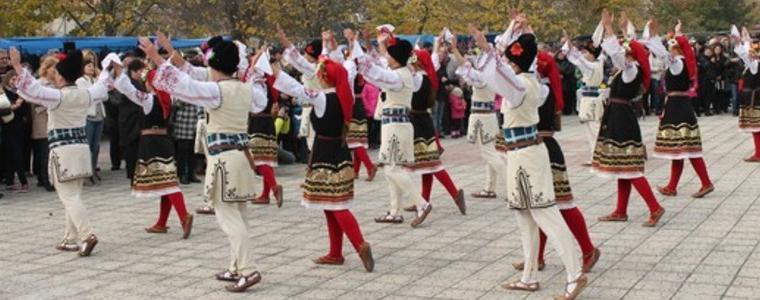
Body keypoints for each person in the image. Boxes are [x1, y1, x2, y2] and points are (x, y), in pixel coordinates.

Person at [469, 18, 586, 299]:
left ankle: (574, 273)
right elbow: (498, 71)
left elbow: (498, 72)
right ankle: (529, 276)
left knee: (545, 213)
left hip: (527, 155)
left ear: (517, 62)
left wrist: (488, 49)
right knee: (525, 215)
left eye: (511, 60)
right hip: (520, 153)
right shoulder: (531, 82)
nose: (508, 64)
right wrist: (513, 34)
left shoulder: (521, 85)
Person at [143, 34, 264, 292]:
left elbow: (186, 85)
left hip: (224, 159)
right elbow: (190, 81)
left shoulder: (217, 91)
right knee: (239, 214)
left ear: (215, 66)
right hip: (241, 156)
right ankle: (235, 266)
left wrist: (156, 57)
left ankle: (248, 268)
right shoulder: (245, 89)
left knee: (228, 216)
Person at [272, 54, 375, 272]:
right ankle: (335, 253)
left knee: (336, 205)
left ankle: (360, 244)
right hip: (340, 152)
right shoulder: (343, 96)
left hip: (325, 155)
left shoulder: (322, 97)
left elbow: (296, 88)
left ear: (324, 77)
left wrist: (274, 71)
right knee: (330, 204)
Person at [10, 47, 106, 256]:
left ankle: (87, 234)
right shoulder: (86, 94)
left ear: (61, 77)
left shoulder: (58, 97)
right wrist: (109, 68)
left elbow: (35, 91)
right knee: (74, 194)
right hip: (81, 149)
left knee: (69, 197)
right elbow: (102, 87)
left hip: (63, 151)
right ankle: (69, 238)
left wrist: (18, 67)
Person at [511, 51, 600, 274]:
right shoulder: (535, 86)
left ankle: (588, 249)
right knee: (538, 205)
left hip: (545, 148)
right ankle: (536, 257)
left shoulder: (540, 89)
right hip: (539, 148)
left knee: (561, 204)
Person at [593, 11, 665, 228]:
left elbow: (617, 55)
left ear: (631, 56)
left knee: (630, 168)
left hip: (622, 120)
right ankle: (621, 210)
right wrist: (623, 31)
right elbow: (617, 54)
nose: (621, 56)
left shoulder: (631, 69)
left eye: (626, 53)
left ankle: (655, 207)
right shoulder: (625, 70)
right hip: (618, 116)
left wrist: (609, 29)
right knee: (622, 167)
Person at [112, 65, 195, 239]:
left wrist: (119, 73)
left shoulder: (150, 100)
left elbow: (130, 91)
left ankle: (183, 216)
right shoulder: (168, 98)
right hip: (165, 140)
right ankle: (162, 223)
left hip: (152, 143)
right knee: (165, 181)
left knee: (168, 183)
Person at [358, 26, 429, 226]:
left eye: (389, 55)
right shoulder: (405, 73)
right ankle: (394, 211)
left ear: (396, 57)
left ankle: (421, 203)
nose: (386, 57)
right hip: (398, 125)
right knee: (393, 167)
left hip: (395, 126)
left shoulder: (398, 76)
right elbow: (380, 69)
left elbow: (377, 74)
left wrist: (362, 58)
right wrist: (372, 44)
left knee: (391, 170)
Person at [645, 20, 715, 198]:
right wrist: (673, 33)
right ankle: (673, 185)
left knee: (687, 149)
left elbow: (662, 54)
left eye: (672, 47)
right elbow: (662, 54)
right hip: (678, 106)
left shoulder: (678, 63)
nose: (669, 49)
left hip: (678, 108)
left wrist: (654, 36)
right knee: (680, 149)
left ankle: (705, 182)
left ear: (677, 50)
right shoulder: (681, 63)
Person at [401, 48, 466, 221]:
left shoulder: (417, 78)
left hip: (419, 123)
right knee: (427, 166)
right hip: (423, 121)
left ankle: (454, 192)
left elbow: (403, 71)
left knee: (432, 165)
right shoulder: (428, 77)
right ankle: (425, 199)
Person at [452, 39, 504, 200]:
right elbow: (467, 68)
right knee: (491, 153)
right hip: (487, 115)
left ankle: (513, 187)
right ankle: (489, 187)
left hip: (483, 116)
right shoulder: (491, 75)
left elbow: (465, 66)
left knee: (489, 154)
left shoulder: (484, 77)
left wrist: (454, 48)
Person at [562, 36, 606, 166]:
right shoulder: (598, 63)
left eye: (587, 52)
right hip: (592, 98)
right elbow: (579, 60)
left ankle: (599, 156)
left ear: (592, 55)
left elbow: (580, 60)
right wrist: (571, 49)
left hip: (591, 100)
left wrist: (571, 48)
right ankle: (595, 156)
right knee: (592, 129)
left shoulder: (592, 66)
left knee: (594, 129)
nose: (584, 54)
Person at [76, 51, 105, 183]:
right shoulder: (80, 81)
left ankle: (93, 169)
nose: (92, 68)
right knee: (87, 146)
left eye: (93, 66)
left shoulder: (96, 80)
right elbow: (88, 95)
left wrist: (99, 88)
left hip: (99, 115)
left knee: (96, 145)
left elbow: (105, 95)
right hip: (88, 116)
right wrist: (97, 90)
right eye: (88, 66)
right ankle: (86, 172)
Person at [733, 26, 760, 162]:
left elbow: (745, 56)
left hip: (755, 99)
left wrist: (742, 41)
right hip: (754, 97)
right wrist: (745, 40)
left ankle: (758, 153)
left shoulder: (755, 64)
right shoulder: (754, 63)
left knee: (756, 127)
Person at [31, 55, 57, 191]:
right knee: (43, 152)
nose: (56, 71)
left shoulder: (57, 83)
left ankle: (48, 177)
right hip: (42, 120)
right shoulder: (39, 83)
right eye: (54, 67)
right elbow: (34, 103)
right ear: (46, 68)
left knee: (50, 151)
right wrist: (48, 106)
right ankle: (45, 179)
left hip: (53, 120)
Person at [1, 69, 30, 192]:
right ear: (8, 79)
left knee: (17, 152)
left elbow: (25, 111)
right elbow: (3, 110)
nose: (14, 82)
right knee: (12, 154)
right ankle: (18, 181)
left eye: (17, 80)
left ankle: (13, 181)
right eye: (13, 80)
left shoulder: (19, 92)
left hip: (18, 126)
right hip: (7, 125)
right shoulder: (3, 92)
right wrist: (15, 106)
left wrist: (22, 103)